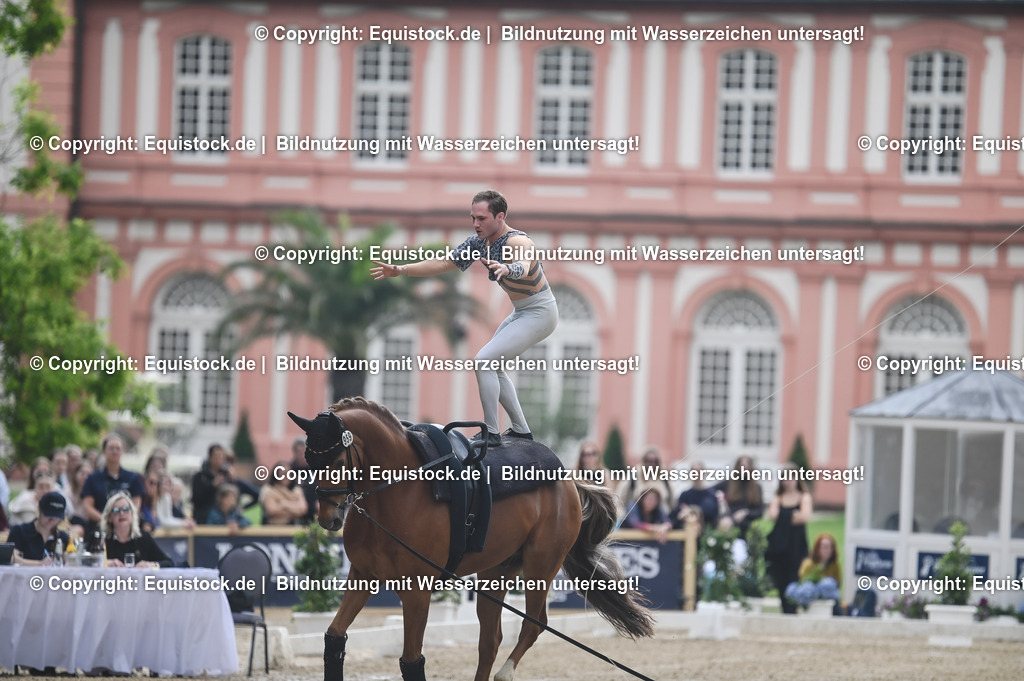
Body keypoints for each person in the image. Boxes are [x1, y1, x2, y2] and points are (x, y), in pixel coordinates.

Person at [371, 189, 558, 447]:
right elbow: (444, 263)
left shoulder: (517, 242)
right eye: (473, 218)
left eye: (481, 218)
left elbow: (524, 264)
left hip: (541, 312)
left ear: (500, 217)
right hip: (522, 311)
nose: (475, 224)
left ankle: (492, 433)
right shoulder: (479, 243)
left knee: (483, 361)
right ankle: (521, 431)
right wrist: (401, 270)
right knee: (493, 365)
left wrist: (507, 268)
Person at [765, 467, 813, 614]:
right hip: (779, 546)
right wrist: (792, 515)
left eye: (791, 478)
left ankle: (793, 609)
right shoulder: (778, 498)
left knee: (795, 575)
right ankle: (784, 609)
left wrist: (784, 516)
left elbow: (804, 517)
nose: (788, 482)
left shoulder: (804, 497)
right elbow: (773, 515)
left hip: (796, 544)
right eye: (785, 478)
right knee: (781, 578)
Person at [81, 433, 145, 529]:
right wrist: (106, 521)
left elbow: (136, 505)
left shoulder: (133, 478)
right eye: (111, 448)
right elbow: (87, 507)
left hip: (126, 529)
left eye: (118, 448)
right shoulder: (93, 478)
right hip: (99, 528)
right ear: (104, 451)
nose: (115, 451)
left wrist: (122, 520)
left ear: (122, 451)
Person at [102, 491, 174, 568]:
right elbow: (88, 563)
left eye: (126, 509)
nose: (122, 513)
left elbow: (169, 563)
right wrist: (105, 563)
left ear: (132, 514)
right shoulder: (101, 539)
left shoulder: (143, 537)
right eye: (116, 510)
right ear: (109, 517)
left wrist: (151, 565)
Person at [9, 491, 70, 566]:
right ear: (39, 509)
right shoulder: (19, 531)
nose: (52, 521)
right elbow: (12, 557)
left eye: (57, 517)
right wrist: (40, 564)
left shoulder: (62, 537)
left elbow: (67, 561)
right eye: (49, 515)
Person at [715, 455, 764, 538]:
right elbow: (712, 491)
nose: (744, 469)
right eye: (741, 466)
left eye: (746, 466)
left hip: (748, 526)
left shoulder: (756, 488)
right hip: (729, 523)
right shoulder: (729, 484)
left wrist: (746, 512)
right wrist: (722, 501)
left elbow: (760, 511)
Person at [673, 460, 722, 533]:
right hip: (688, 533)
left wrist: (691, 510)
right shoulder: (684, 495)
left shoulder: (711, 495)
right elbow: (678, 514)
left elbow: (712, 513)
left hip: (707, 534)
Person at [290, 436, 318, 524]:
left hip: (316, 514)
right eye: (299, 452)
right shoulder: (288, 471)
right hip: (294, 515)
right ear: (294, 453)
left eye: (305, 452)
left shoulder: (318, 470)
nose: (302, 456)